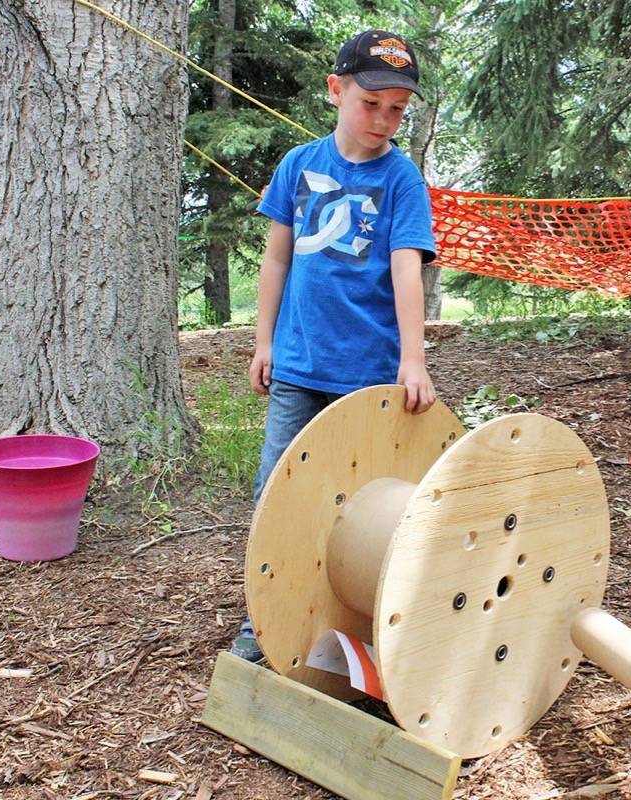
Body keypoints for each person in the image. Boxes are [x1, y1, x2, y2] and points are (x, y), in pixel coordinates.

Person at [230, 29, 438, 662]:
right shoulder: (298, 165)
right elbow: (275, 261)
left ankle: (365, 631)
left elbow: (408, 270)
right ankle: (261, 626)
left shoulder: (403, 181)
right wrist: (263, 341)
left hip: (369, 376)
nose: (382, 119)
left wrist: (413, 359)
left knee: (366, 510)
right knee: (280, 498)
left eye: (397, 108)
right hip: (297, 367)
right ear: (336, 90)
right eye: (370, 102)